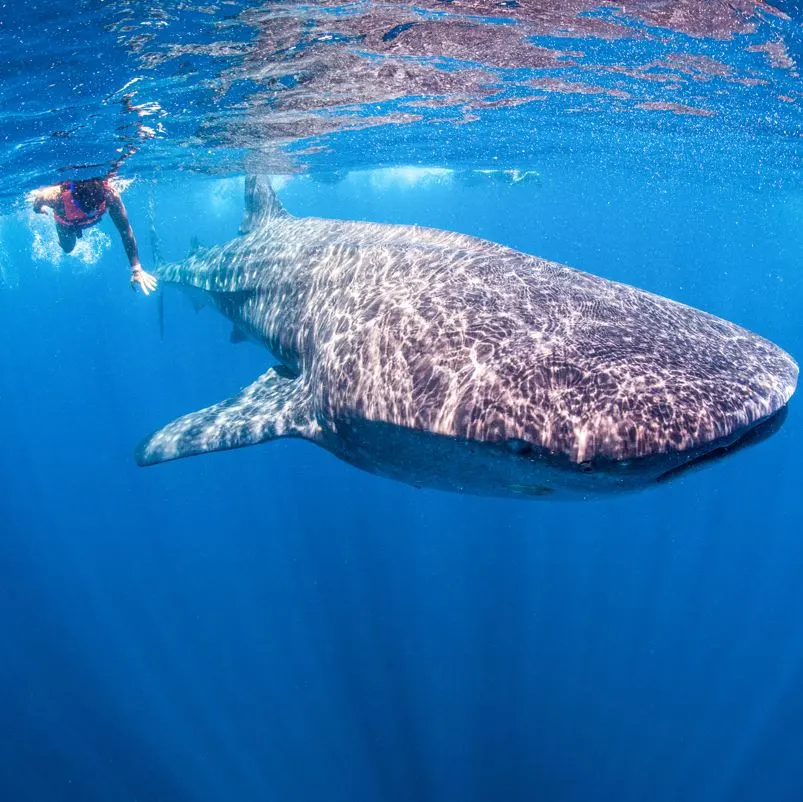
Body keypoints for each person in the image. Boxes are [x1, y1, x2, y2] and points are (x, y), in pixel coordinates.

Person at [31, 177, 158, 295]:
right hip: (66, 224)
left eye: (95, 207)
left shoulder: (110, 196)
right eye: (87, 208)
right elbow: (37, 204)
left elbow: (126, 232)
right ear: (75, 199)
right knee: (68, 248)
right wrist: (40, 211)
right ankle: (64, 236)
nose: (91, 211)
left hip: (80, 219)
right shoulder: (54, 197)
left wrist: (136, 269)